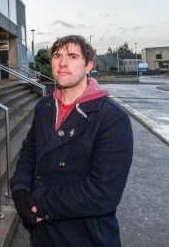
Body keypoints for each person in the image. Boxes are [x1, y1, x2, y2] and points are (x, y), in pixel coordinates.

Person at [10, 35, 133, 247]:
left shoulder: (112, 117)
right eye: (57, 56)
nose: (63, 63)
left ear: (88, 66)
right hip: (42, 235)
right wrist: (20, 190)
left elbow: (103, 192)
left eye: (73, 56)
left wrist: (41, 203)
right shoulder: (44, 107)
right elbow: (29, 153)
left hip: (87, 236)